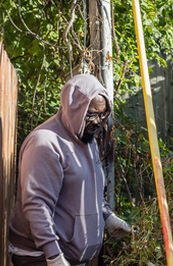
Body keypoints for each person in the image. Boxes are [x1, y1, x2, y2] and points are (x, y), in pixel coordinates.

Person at [8, 74, 132, 266]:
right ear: (75, 108)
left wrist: (107, 216)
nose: (97, 122)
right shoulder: (46, 143)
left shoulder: (86, 140)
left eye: (102, 114)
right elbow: (37, 204)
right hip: (41, 258)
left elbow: (84, 192)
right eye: (91, 114)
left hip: (71, 258)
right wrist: (53, 256)